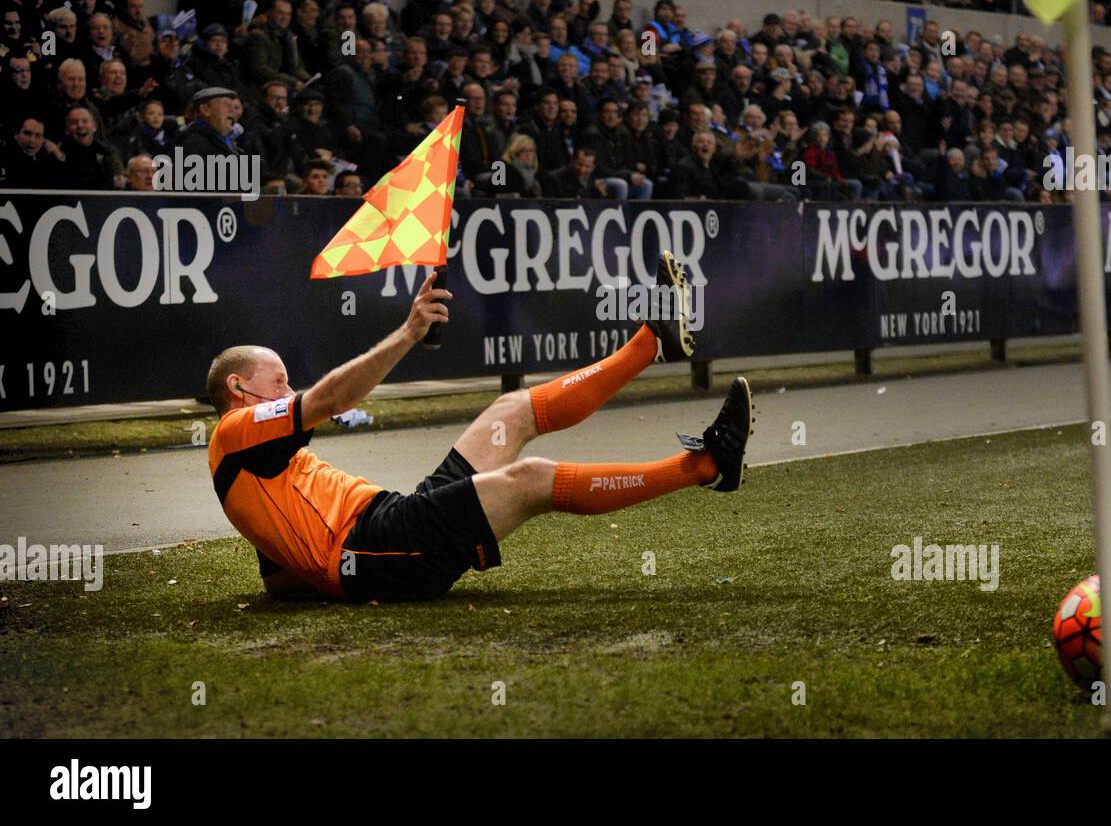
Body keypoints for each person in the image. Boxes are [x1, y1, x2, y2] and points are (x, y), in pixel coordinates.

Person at [205, 254, 752, 601]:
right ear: (238, 389)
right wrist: (408, 333)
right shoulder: (236, 432)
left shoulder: (256, 464)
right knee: (531, 479)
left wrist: (319, 577)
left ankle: (650, 342)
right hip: (377, 545)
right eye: (277, 382)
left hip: (391, 524)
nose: (287, 390)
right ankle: (705, 465)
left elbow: (277, 578)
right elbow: (330, 398)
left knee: (509, 411)